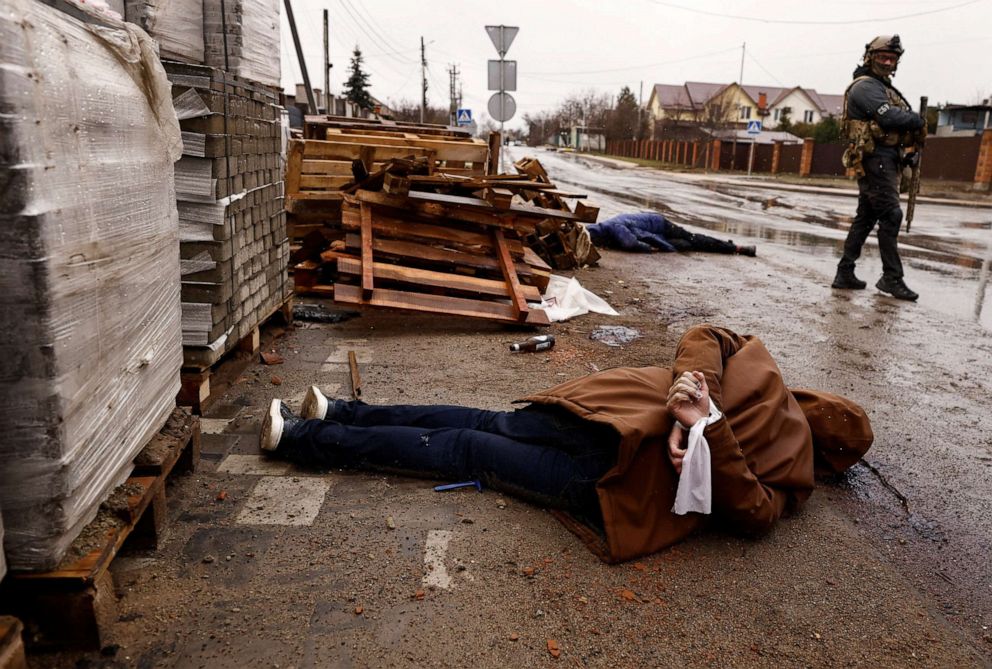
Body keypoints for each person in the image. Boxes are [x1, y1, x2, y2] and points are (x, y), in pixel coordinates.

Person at [260, 325, 873, 563]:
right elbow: (756, 515)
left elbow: (707, 335)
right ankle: (306, 434)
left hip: (603, 428)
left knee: (480, 425)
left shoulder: (763, 372)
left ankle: (336, 413)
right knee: (471, 445)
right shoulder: (784, 429)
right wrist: (700, 414)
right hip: (610, 468)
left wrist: (703, 412)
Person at [832, 34, 926, 301]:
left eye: (892, 58)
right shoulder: (865, 87)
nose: (887, 62)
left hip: (886, 157)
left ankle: (845, 272)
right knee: (892, 215)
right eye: (882, 57)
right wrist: (917, 120)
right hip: (875, 159)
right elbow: (889, 116)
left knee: (866, 217)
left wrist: (908, 152)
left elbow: (895, 124)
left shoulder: (884, 87)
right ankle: (891, 278)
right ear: (870, 57)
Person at [585, 212, 757, 256]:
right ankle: (723, 245)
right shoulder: (608, 227)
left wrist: (649, 249)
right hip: (658, 235)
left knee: (693, 239)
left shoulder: (612, 226)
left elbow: (629, 242)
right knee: (689, 245)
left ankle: (736, 247)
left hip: (661, 225)